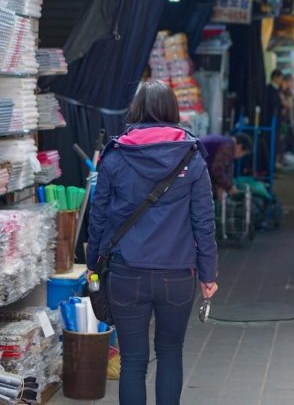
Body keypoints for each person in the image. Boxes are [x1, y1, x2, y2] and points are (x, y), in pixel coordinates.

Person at [87, 80, 218, 405]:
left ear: (136, 110)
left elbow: (98, 216)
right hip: (177, 274)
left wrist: (93, 267)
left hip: (125, 273)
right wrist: (209, 274)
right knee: (171, 354)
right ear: (172, 110)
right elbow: (204, 221)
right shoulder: (192, 156)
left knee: (133, 361)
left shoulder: (115, 156)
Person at [200, 133, 253, 200]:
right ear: (240, 147)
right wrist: (229, 187)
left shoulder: (224, 141)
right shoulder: (228, 146)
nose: (240, 157)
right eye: (242, 154)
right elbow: (217, 169)